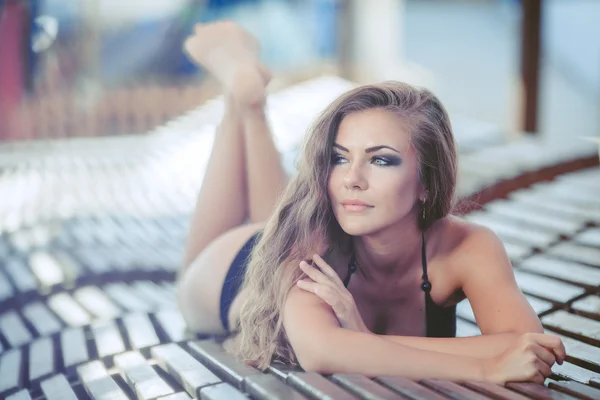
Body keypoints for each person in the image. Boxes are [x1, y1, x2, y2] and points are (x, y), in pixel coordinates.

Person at [177, 21, 566, 384]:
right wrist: (484, 365)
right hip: (227, 274)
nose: (351, 178)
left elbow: (531, 346)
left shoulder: (470, 247)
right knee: (286, 226)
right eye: (340, 157)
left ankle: (247, 99)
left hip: (295, 237)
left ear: (427, 181)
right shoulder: (305, 241)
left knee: (287, 219)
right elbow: (321, 349)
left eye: (381, 159)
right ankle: (242, 102)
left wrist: (361, 336)